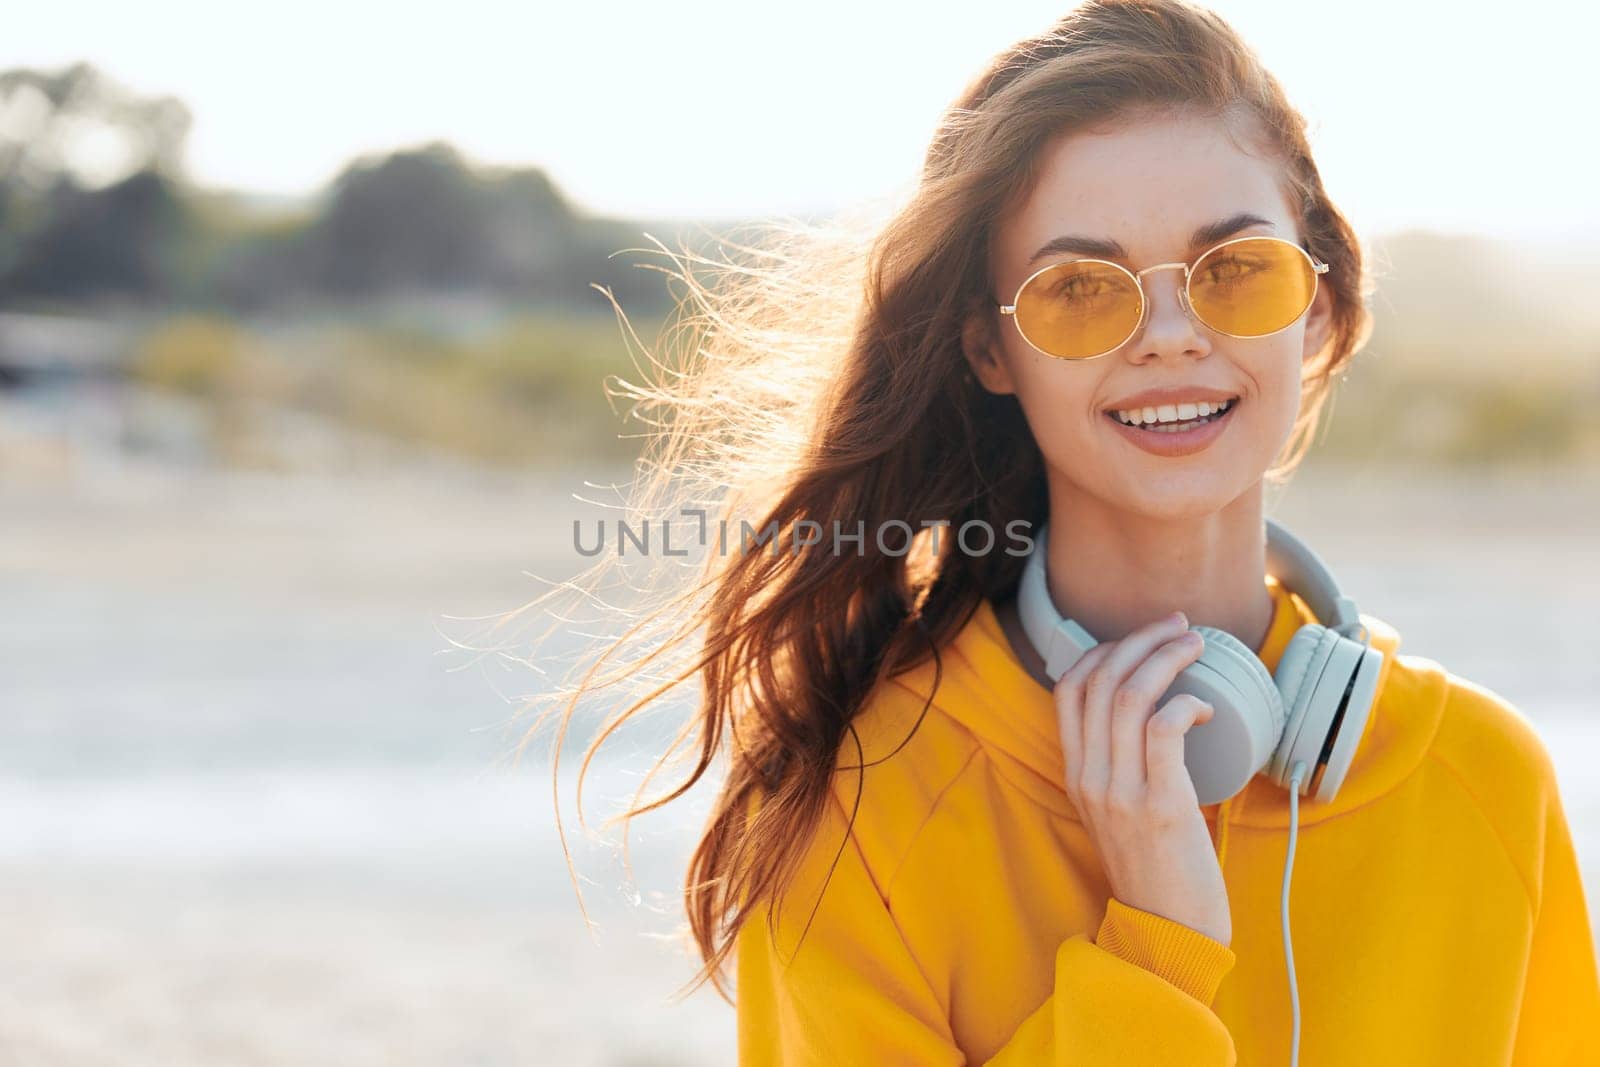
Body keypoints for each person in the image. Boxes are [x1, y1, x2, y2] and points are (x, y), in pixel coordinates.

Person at [533, 0, 1600, 1061]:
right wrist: (1157, 949)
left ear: (1315, 308)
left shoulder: (1482, 781)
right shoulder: (860, 810)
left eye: (1235, 270)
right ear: (990, 354)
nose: (1172, 337)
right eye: (1080, 290)